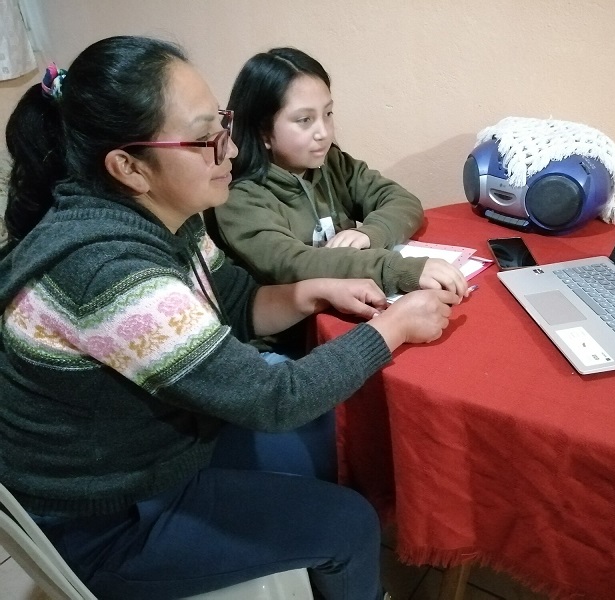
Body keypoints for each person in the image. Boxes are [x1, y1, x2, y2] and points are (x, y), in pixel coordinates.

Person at [0, 36, 465, 600]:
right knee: (348, 523)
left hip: (154, 452)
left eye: (222, 123)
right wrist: (393, 327)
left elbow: (240, 302)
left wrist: (312, 291)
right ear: (128, 167)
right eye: (204, 139)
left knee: (324, 438)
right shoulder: (110, 275)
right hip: (109, 519)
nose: (232, 150)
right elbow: (275, 398)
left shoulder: (174, 217)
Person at [206, 47, 467, 297]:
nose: (324, 132)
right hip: (291, 338)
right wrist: (395, 270)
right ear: (263, 132)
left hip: (352, 309)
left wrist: (370, 233)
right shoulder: (239, 197)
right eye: (304, 120)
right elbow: (294, 264)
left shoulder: (333, 164)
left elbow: (403, 201)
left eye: (328, 113)